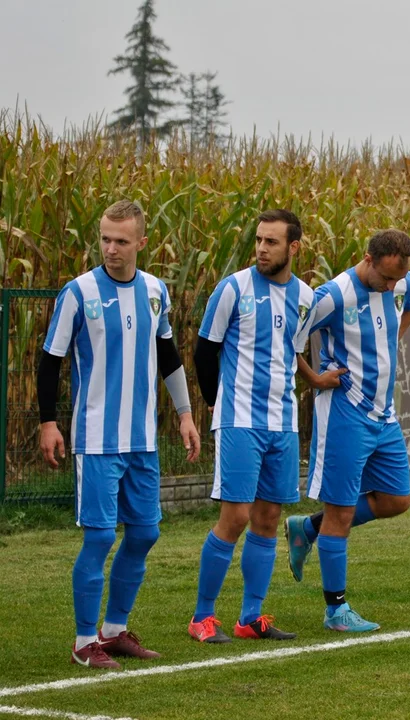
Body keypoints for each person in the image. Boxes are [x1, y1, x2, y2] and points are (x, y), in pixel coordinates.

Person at [39, 199, 201, 669]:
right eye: (105, 239)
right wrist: (47, 422)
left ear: (141, 243)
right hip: (97, 441)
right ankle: (83, 641)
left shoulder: (155, 291)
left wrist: (186, 414)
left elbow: (167, 354)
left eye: (121, 241)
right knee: (98, 538)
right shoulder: (79, 291)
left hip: (142, 441)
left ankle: (113, 631)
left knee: (146, 532)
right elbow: (50, 360)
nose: (111, 248)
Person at [283, 229, 410, 632]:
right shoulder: (333, 295)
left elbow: (407, 305)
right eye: (387, 278)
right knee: (341, 514)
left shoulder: (404, 282)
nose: (393, 286)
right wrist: (313, 377)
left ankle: (307, 527)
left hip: (384, 414)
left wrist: (390, 338)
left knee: (397, 500)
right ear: (368, 259)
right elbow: (290, 341)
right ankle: (336, 611)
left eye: (399, 278)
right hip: (344, 413)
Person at [188, 209, 315, 643]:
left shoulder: (306, 297)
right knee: (236, 516)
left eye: (272, 242)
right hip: (239, 419)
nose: (261, 248)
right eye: (258, 240)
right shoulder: (233, 289)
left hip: (282, 423)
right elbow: (205, 352)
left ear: (293, 248)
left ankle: (250, 618)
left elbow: (293, 353)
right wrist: (212, 403)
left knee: (268, 517)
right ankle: (202, 617)